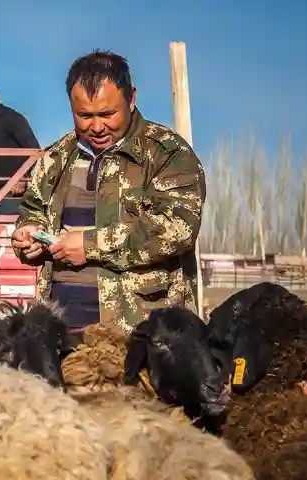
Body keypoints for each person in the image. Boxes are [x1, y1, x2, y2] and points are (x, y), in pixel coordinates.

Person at [11, 49, 206, 334]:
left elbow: (176, 229)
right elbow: (33, 211)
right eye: (85, 116)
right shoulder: (55, 158)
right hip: (62, 333)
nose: (97, 126)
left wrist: (90, 246)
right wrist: (30, 236)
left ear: (132, 98)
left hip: (143, 338)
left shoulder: (166, 153)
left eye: (107, 113)